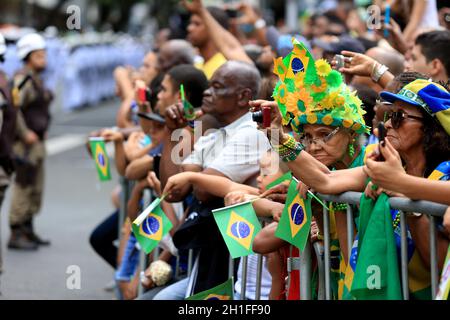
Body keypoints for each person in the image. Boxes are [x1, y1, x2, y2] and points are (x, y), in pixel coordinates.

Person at [157, 60, 270, 299]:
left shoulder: (251, 131)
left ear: (243, 96)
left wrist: (192, 175)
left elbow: (202, 191)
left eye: (217, 87)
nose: (207, 93)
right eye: (208, 86)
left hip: (235, 256)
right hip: (213, 250)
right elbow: (174, 189)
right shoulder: (217, 131)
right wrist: (171, 132)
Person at [8, 33, 53, 250]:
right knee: (24, 185)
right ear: (27, 56)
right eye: (39, 55)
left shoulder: (35, 78)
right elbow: (14, 110)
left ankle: (28, 228)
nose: (44, 59)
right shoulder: (23, 79)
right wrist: (24, 133)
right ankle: (16, 231)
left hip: (37, 142)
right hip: (26, 144)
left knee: (36, 186)